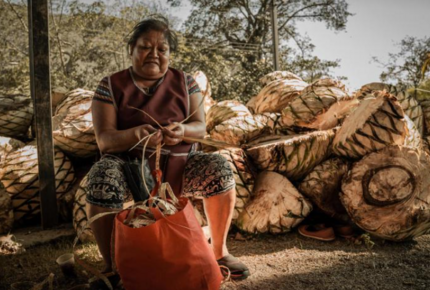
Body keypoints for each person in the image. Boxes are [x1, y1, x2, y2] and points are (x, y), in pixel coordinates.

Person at [86, 16, 249, 287]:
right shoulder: (110, 86)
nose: (154, 54)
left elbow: (200, 128)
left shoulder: (186, 83)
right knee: (102, 176)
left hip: (181, 165)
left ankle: (219, 251)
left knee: (219, 168)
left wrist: (182, 132)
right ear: (131, 50)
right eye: (145, 47)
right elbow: (105, 141)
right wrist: (135, 135)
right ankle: (111, 268)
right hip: (130, 170)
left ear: (170, 54)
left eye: (162, 49)